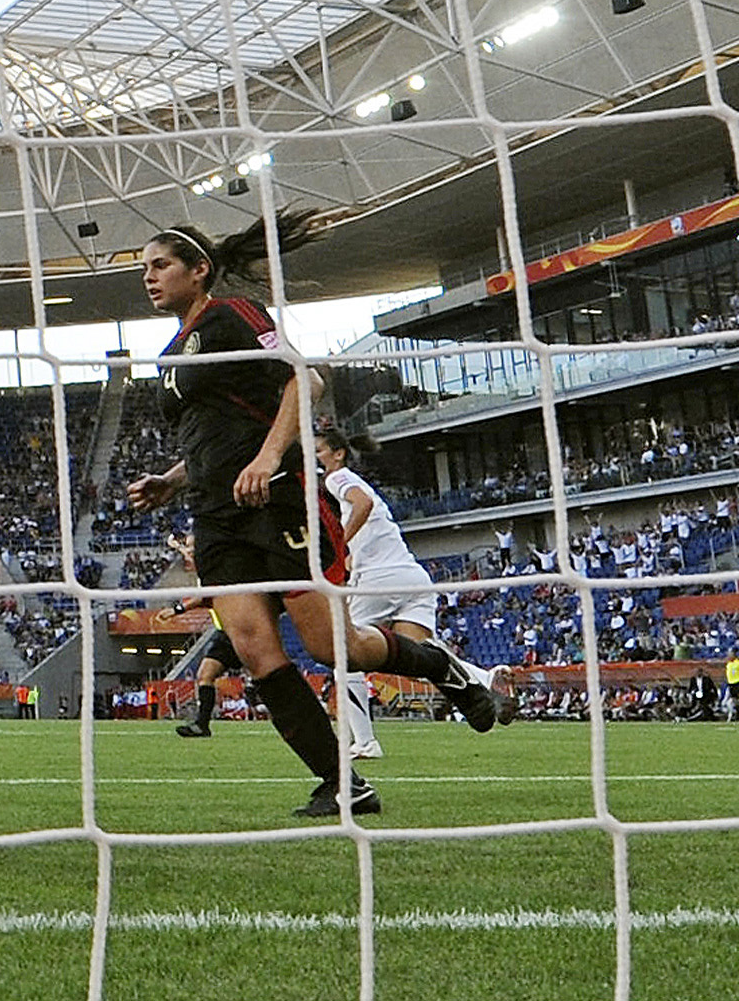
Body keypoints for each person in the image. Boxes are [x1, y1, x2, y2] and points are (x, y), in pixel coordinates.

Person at [128, 210, 506, 819]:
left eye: (160, 265)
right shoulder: (172, 355)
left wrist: (269, 455)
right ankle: (343, 782)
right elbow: (214, 433)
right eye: (144, 268)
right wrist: (171, 481)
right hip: (216, 518)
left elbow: (305, 380)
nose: (149, 277)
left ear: (199, 270)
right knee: (254, 650)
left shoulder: (232, 315)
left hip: (280, 496)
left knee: (334, 648)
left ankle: (444, 669)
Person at [317, 428, 512, 748]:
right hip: (412, 576)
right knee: (418, 654)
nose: (315, 457)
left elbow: (362, 503)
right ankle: (486, 678)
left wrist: (339, 546)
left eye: (319, 451)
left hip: (380, 579)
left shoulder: (337, 478)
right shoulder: (354, 489)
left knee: (345, 654)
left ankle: (364, 742)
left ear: (338, 454)